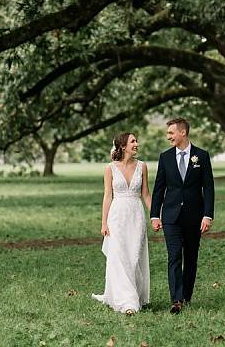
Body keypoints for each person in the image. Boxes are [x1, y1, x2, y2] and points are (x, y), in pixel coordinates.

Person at [150, 118, 215, 314]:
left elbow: (209, 188)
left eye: (171, 133)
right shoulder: (165, 157)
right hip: (171, 217)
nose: (168, 136)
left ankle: (186, 295)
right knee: (174, 256)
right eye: (168, 133)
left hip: (195, 217)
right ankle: (176, 300)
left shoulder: (201, 156)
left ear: (183, 133)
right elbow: (159, 189)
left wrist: (207, 215)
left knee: (191, 257)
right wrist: (155, 215)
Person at [92, 132, 151, 315]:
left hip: (136, 215)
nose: (136, 144)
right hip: (116, 216)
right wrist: (104, 222)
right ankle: (127, 302)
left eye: (136, 140)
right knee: (118, 257)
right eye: (133, 141)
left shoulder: (142, 167)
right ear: (123, 146)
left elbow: (146, 194)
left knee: (133, 256)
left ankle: (134, 294)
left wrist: (156, 216)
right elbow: (108, 195)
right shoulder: (110, 168)